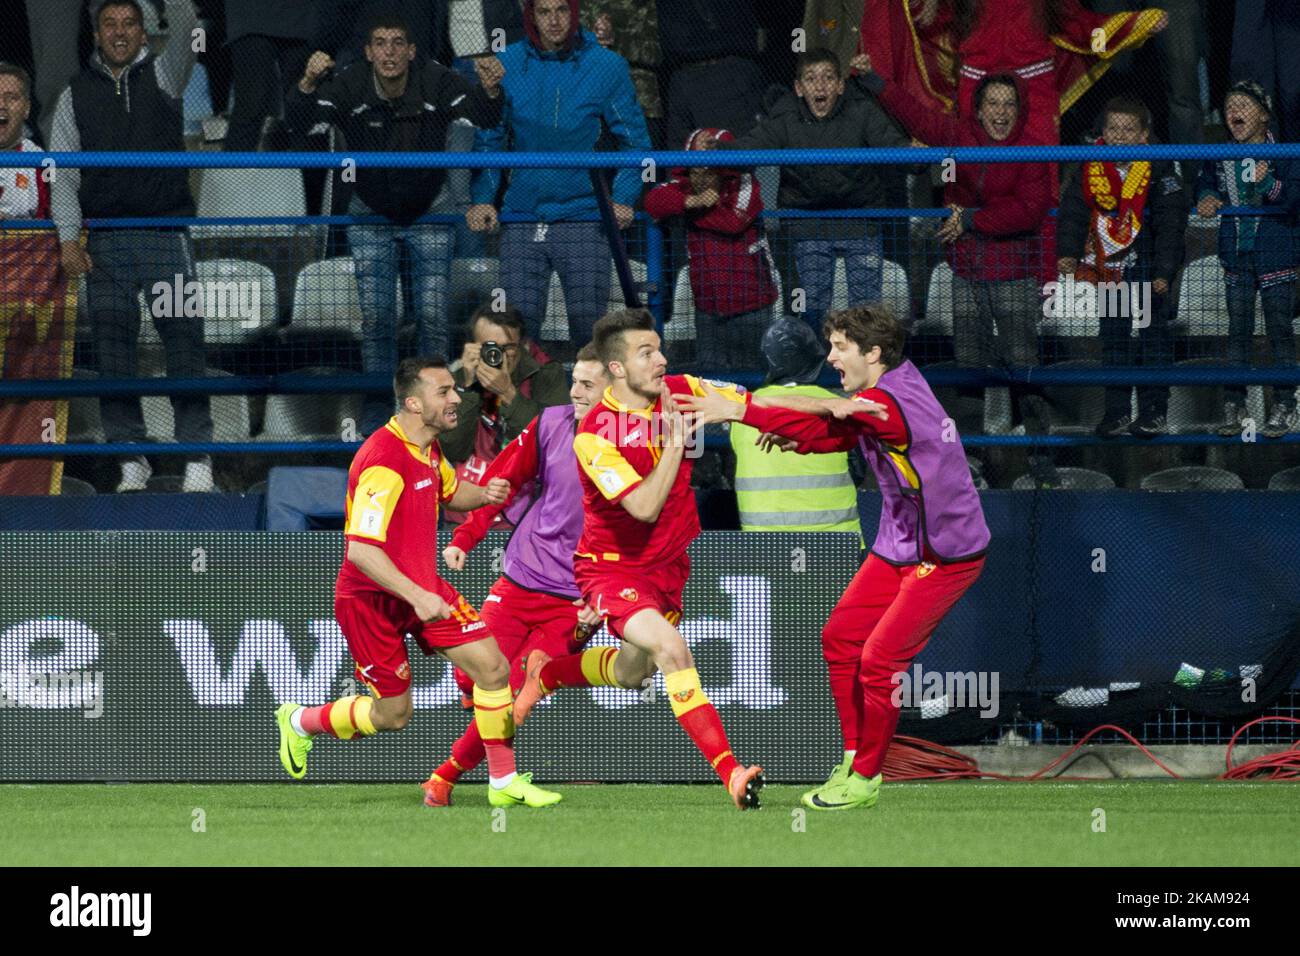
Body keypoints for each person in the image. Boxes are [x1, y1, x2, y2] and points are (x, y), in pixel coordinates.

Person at [681, 304, 988, 811]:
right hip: (901, 543)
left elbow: (843, 419)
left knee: (880, 661)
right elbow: (841, 429)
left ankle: (867, 778)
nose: (831, 358)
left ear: (874, 353)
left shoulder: (891, 401)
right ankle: (851, 757)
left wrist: (739, 408)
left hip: (945, 554)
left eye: (841, 347)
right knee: (841, 637)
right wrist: (795, 437)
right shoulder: (889, 386)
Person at [274, 355, 563, 808]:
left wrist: (486, 493)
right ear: (413, 402)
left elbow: (452, 492)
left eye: (455, 389)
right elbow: (361, 551)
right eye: (444, 392)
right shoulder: (384, 463)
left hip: (422, 586)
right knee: (394, 715)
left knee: (493, 669)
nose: (456, 399)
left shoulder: (427, 448)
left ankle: (503, 783)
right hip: (373, 600)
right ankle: (300, 721)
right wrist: (417, 596)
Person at [510, 308, 767, 809]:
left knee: (634, 675)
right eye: (647, 352)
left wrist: (832, 413)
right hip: (612, 568)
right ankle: (732, 773)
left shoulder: (678, 389)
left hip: (668, 567)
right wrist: (674, 446)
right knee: (672, 651)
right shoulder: (593, 435)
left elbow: (756, 404)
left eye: (659, 348)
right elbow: (644, 508)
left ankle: (549, 673)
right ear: (619, 368)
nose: (662, 359)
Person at [284, 12, 506, 435]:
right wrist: (307, 83)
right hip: (371, 210)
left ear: (411, 50)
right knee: (378, 319)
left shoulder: (436, 78)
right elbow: (299, 122)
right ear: (368, 52)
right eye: (380, 43)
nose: (389, 51)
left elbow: (485, 117)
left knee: (433, 317)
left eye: (397, 43)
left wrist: (491, 90)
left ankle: (436, 410)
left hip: (430, 207)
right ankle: (380, 414)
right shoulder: (349, 82)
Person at [856, 56, 1058, 485]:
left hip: (1015, 277)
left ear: (1018, 111)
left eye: (1008, 104)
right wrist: (874, 79)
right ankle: (974, 461)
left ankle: (1042, 460)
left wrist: (969, 219)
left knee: (1023, 367)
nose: (1000, 113)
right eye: (993, 104)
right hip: (967, 274)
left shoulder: (1034, 149)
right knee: (970, 370)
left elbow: (1028, 211)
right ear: (979, 109)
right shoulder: (959, 136)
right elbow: (918, 116)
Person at [424, 344, 610, 805]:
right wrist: (463, 540)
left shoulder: (636, 440)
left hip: (573, 597)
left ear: (616, 386)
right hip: (521, 578)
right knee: (478, 679)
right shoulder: (550, 423)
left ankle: (444, 778)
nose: (576, 392)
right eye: (575, 381)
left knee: (511, 693)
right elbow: (499, 485)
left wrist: (602, 594)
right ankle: (473, 776)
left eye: (588, 384)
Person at [49, 0, 216, 494]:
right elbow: (64, 176)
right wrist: (65, 238)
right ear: (97, 33)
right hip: (106, 245)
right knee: (112, 353)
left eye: (129, 24)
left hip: (166, 237)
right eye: (110, 25)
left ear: (145, 32)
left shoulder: (167, 74)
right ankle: (131, 459)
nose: (120, 33)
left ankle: (197, 457)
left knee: (184, 343)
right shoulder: (73, 95)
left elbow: (188, 26)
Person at [465, 0, 652, 346]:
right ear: (530, 16)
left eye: (562, 11)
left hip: (583, 217)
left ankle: (593, 403)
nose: (554, 21)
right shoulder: (506, 65)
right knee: (513, 339)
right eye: (544, 11)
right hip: (521, 217)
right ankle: (516, 403)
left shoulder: (606, 67)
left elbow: (637, 144)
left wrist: (623, 198)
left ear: (575, 13)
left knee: (591, 334)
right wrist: (482, 199)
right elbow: (490, 141)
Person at [708, 48, 912, 333]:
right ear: (799, 87)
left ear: (840, 85)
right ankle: (816, 370)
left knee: (866, 310)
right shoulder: (785, 117)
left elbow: (895, 148)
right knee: (812, 305)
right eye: (811, 78)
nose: (820, 85)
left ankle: (866, 374)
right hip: (808, 223)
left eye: (828, 77)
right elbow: (749, 147)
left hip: (860, 220)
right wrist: (716, 150)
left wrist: (918, 157)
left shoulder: (862, 111)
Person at [1056, 95, 1186, 439]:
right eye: (1113, 128)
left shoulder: (1160, 168)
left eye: (1129, 129)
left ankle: (1154, 412)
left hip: (1146, 271)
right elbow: (1072, 213)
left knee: (1151, 339)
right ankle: (1116, 413)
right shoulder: (1089, 165)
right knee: (1114, 339)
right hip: (1110, 270)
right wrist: (1067, 252)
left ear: (1144, 135)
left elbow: (1170, 225)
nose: (1119, 136)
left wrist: (1163, 272)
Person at [1196, 80, 1300, 439]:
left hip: (1277, 258)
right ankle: (1234, 405)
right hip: (1236, 258)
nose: (1234, 111)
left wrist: (1268, 181)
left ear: (1265, 115)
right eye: (1229, 105)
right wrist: (1206, 198)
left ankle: (1285, 404)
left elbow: (1293, 201)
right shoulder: (1219, 154)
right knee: (1236, 335)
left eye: (1244, 105)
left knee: (1280, 333)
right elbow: (1205, 183)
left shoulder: (1287, 153)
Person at [643, 127, 778, 371]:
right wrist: (690, 202)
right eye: (695, 169)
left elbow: (733, 221)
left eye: (709, 168)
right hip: (708, 305)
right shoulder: (686, 187)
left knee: (751, 376)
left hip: (751, 303)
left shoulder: (744, 182)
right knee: (709, 378)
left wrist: (688, 213)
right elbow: (653, 201)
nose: (701, 176)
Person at [730, 319, 861, 537]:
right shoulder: (839, 406)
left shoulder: (741, 410)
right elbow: (858, 470)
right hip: (836, 541)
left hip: (763, 541)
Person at [440, 305, 571, 491]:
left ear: (523, 344)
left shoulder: (546, 372)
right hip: (471, 502)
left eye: (508, 347)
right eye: (490, 347)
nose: (498, 355)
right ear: (472, 347)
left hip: (529, 501)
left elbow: (554, 444)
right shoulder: (457, 377)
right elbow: (452, 451)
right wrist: (467, 388)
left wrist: (508, 393)